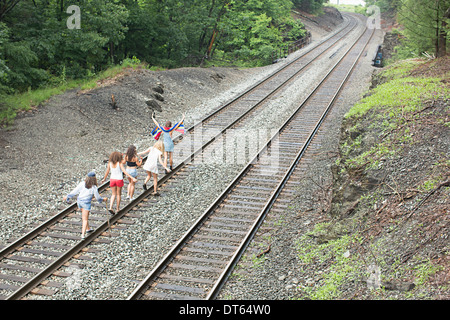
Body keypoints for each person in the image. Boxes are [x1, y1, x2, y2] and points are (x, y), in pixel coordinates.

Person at [63, 171, 107, 239]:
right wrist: (103, 199)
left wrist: (68, 196)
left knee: (84, 216)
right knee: (85, 219)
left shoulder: (82, 184)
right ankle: (83, 235)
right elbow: (98, 197)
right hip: (86, 204)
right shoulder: (94, 187)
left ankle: (88, 229)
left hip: (79, 202)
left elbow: (75, 191)